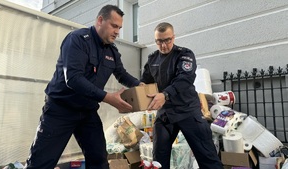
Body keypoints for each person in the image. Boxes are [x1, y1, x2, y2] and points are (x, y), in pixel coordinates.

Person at [24, 5, 142, 169]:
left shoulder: (112, 51)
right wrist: (108, 98)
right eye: (114, 26)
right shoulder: (78, 40)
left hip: (87, 112)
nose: (117, 31)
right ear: (100, 20)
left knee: (99, 160)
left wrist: (140, 86)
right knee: (40, 163)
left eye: (120, 28)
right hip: (60, 110)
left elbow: (122, 74)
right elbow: (73, 78)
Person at [140, 22, 223, 169]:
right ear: (155, 41)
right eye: (159, 41)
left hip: (187, 111)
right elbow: (144, 83)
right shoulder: (152, 59)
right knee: (158, 159)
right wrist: (137, 95)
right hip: (165, 115)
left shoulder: (184, 54)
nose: (164, 45)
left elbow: (184, 79)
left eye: (167, 40)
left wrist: (165, 94)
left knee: (207, 157)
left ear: (173, 37)